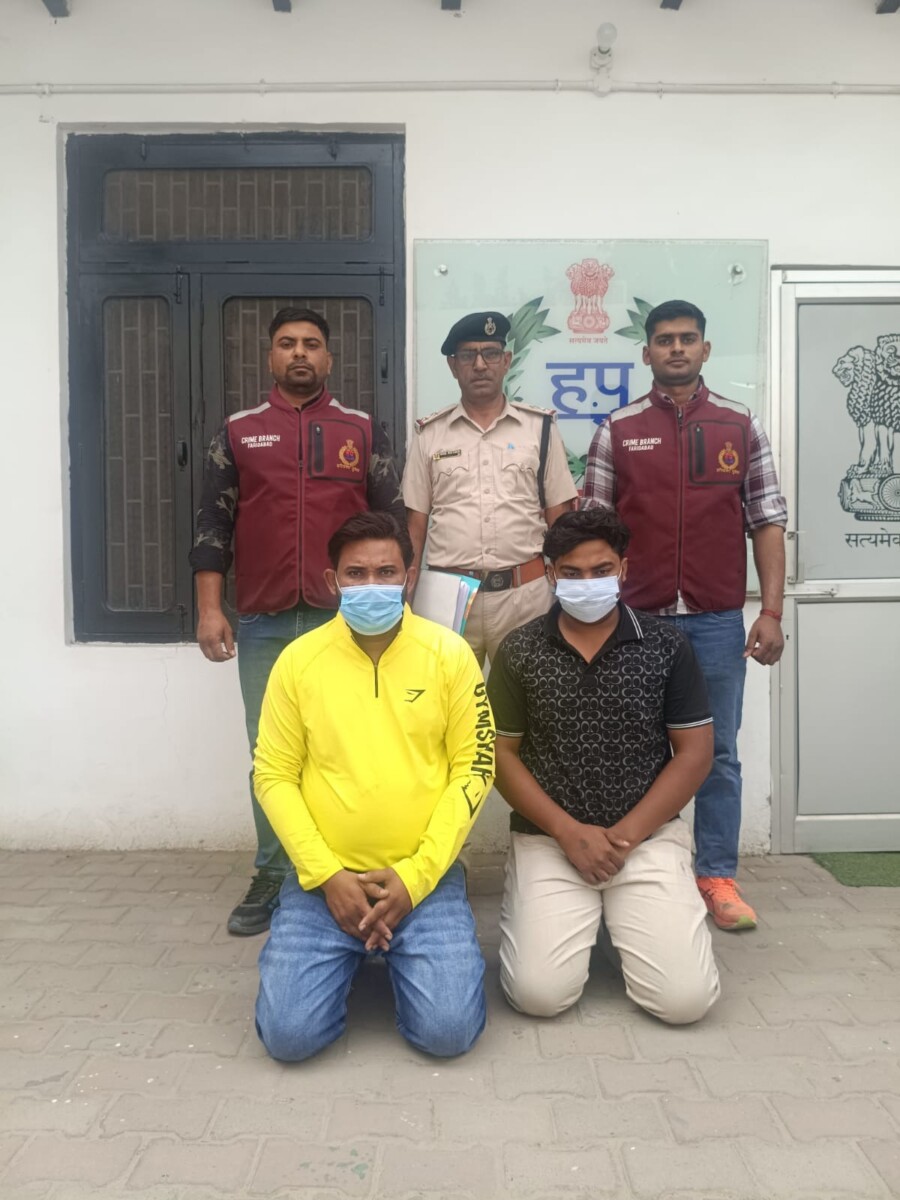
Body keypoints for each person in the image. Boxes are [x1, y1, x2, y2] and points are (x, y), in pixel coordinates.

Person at [190, 307, 404, 936]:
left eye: (312, 344)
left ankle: (358, 861)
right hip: (266, 618)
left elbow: (394, 524)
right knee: (272, 754)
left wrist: (395, 604)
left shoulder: (361, 429)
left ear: (330, 359)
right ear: (271, 358)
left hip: (352, 620)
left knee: (357, 744)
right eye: (287, 344)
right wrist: (210, 608)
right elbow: (212, 523)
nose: (300, 353)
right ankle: (273, 871)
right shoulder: (239, 432)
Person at [252, 511, 493, 1060]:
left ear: (409, 577)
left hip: (424, 880)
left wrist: (415, 876)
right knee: (289, 1037)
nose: (372, 585)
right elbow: (273, 774)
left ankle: (377, 949)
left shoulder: (449, 656)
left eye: (386, 572)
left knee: (448, 1033)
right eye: (355, 574)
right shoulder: (298, 662)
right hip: (324, 885)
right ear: (332, 581)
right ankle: (354, 950)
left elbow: (475, 768)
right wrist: (326, 874)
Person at [582, 299, 787, 932]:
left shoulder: (739, 426)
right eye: (665, 339)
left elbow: (767, 521)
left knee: (717, 752)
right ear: (646, 352)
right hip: (635, 621)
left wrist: (770, 610)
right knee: (629, 749)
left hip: (716, 619)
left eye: (687, 338)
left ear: (705, 349)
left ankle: (717, 877)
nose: (676, 348)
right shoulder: (618, 429)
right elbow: (592, 531)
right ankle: (637, 868)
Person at [487, 508, 720, 1025]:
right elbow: (501, 755)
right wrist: (568, 833)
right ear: (550, 573)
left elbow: (695, 753)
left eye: (601, 570)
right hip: (550, 840)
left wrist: (627, 837)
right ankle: (569, 911)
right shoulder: (519, 649)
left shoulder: (666, 646)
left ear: (623, 569)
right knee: (539, 996)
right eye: (571, 573)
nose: (587, 582)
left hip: (647, 839)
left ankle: (623, 919)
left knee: (684, 1003)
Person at [402, 311, 578, 665]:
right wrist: (406, 593)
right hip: (447, 595)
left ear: (506, 361)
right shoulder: (430, 434)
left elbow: (559, 517)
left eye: (491, 354)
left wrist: (569, 588)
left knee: (527, 694)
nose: (480, 365)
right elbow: (415, 524)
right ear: (453, 366)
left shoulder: (539, 429)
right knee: (446, 692)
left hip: (525, 595)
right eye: (468, 355)